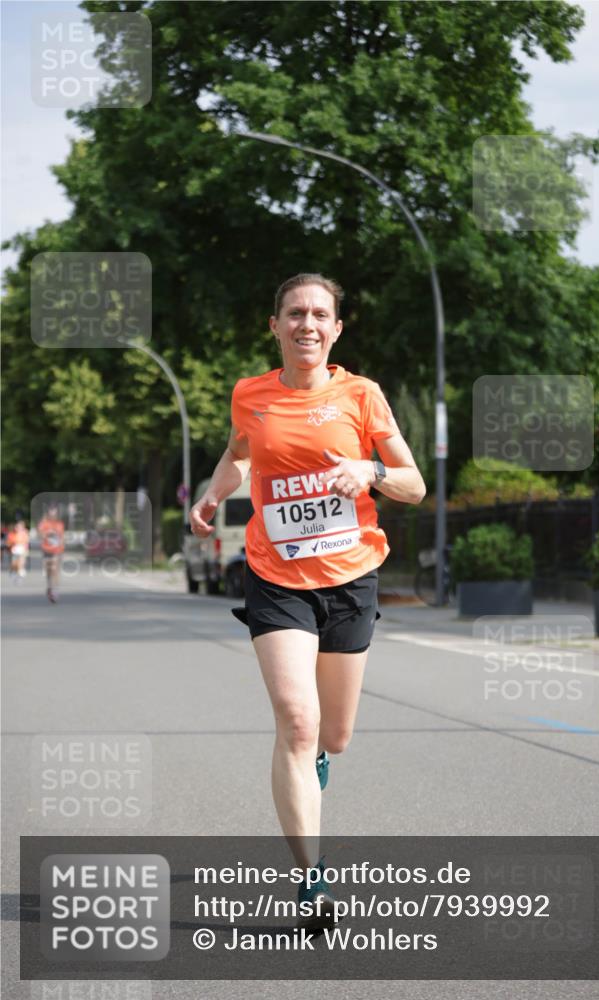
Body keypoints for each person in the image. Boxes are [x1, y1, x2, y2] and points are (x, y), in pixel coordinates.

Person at [189, 274, 425, 928]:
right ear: (275, 325)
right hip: (275, 576)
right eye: (295, 313)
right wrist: (212, 496)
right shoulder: (251, 395)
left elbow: (414, 483)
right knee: (296, 720)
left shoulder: (361, 395)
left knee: (334, 736)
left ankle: (318, 750)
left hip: (350, 578)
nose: (307, 324)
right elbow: (238, 455)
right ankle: (311, 882)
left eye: (319, 314)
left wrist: (370, 471)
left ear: (336, 328)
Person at [38, 504, 65, 603]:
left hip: (57, 550)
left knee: (55, 570)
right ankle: (50, 586)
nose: (53, 514)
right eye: (51, 512)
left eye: (54, 512)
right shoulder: (44, 523)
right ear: (48, 513)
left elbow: (62, 536)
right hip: (46, 550)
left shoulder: (59, 524)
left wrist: (61, 545)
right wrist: (47, 535)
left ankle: (55, 590)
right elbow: (40, 534)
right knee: (49, 572)